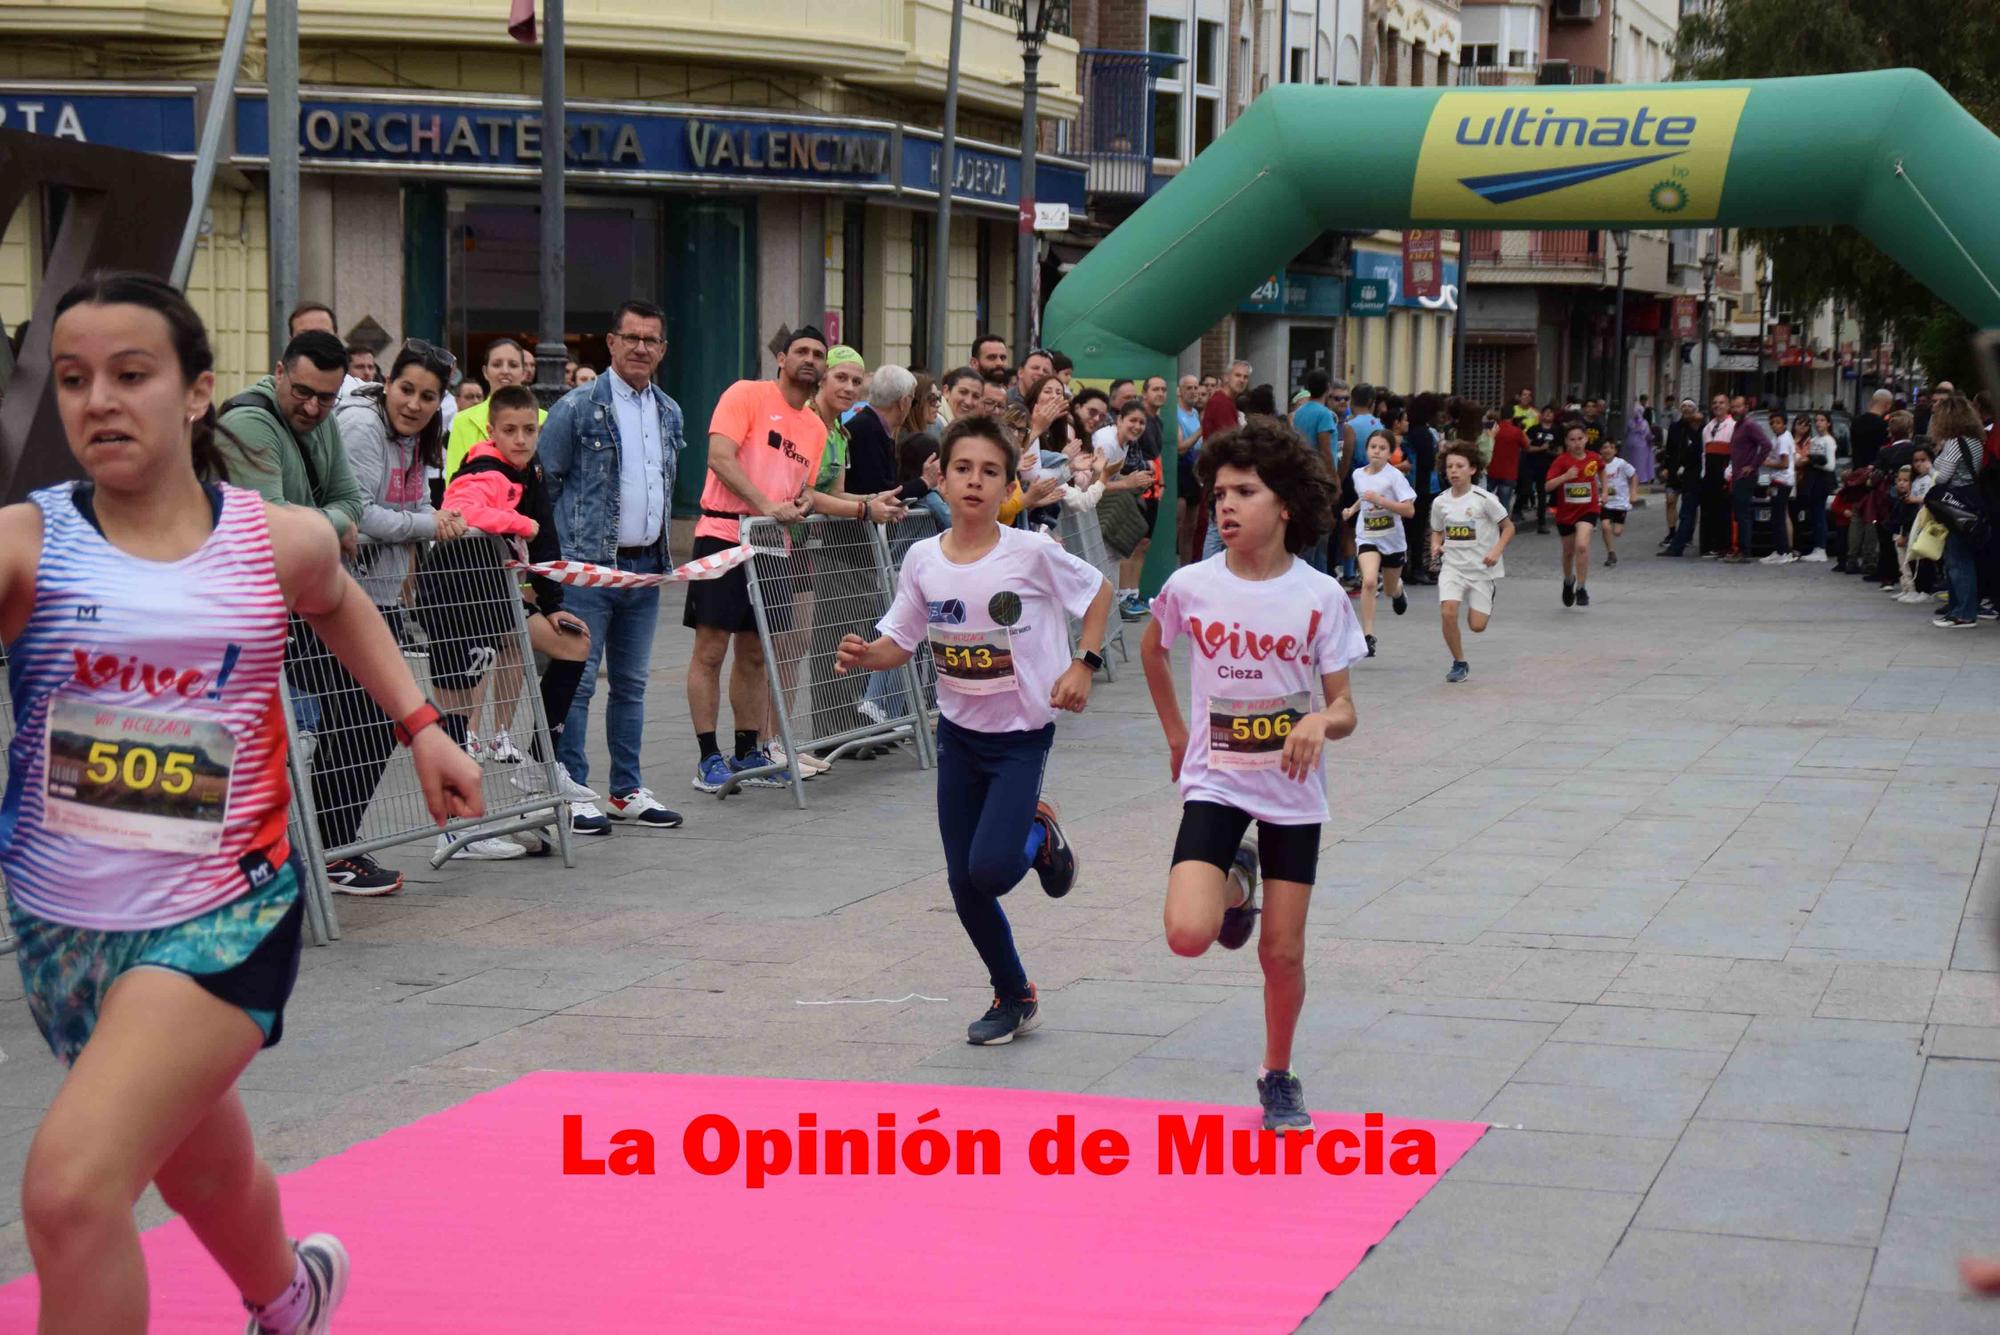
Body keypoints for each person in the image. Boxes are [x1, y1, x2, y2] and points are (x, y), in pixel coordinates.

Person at [3, 270, 482, 1334]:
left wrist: (422, 725)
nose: (98, 401)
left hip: (226, 912)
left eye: (131, 374)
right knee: (200, 1171)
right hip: (66, 924)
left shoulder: (275, 539)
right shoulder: (26, 548)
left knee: (72, 1195)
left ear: (195, 393)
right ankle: (290, 1295)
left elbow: (341, 601)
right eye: (75, 379)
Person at [835, 414, 1112, 1045]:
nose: (974, 482)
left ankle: (1038, 834)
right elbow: (900, 639)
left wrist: (1083, 664)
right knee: (964, 884)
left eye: (990, 472)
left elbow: (1097, 594)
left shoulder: (1031, 552)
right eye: (963, 468)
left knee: (989, 871)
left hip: (1020, 736)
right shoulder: (923, 558)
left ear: (1006, 482)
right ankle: (1013, 993)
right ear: (941, 473)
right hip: (958, 736)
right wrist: (865, 654)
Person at [1142, 416, 1364, 1133]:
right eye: (1219, 492)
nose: (1226, 505)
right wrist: (1178, 731)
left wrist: (1317, 721)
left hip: (1291, 791)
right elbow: (1153, 650)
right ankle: (1238, 880)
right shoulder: (1190, 583)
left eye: (1245, 491)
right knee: (1185, 934)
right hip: (1217, 778)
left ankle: (1277, 1073)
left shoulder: (1320, 595)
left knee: (1282, 951)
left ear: (1286, 505)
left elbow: (1346, 707)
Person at [336, 342, 539, 866]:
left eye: (428, 396)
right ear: (387, 385)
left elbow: (414, 502)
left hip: (383, 594)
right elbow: (360, 512)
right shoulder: (362, 426)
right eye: (406, 390)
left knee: (370, 731)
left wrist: (428, 519)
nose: (415, 403)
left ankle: (336, 848)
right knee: (357, 730)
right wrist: (431, 524)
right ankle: (333, 849)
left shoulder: (419, 436)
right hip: (347, 596)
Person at [431, 383, 599, 854]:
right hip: (455, 593)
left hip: (497, 592)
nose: (521, 439)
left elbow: (546, 546)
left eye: (529, 430)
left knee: (573, 643)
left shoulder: (531, 470)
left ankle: (538, 763)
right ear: (491, 430)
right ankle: (454, 827)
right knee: (458, 712)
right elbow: (460, 508)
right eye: (510, 430)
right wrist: (520, 524)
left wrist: (553, 603)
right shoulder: (484, 467)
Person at [539, 300, 687, 832]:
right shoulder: (576, 407)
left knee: (631, 684)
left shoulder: (670, 411)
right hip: (587, 570)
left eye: (651, 339)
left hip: (646, 570)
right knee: (577, 683)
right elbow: (547, 481)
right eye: (632, 338)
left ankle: (625, 789)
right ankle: (574, 790)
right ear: (611, 342)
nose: (641, 347)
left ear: (663, 349)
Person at [684, 326, 837, 794]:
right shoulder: (746, 394)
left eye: (818, 354)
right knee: (711, 650)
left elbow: (803, 490)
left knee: (755, 654)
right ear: (782, 358)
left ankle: (749, 749)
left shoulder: (814, 426)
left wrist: (803, 505)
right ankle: (708, 757)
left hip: (774, 547)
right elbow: (719, 458)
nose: (809, 359)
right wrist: (765, 504)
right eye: (801, 351)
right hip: (724, 535)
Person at [1428, 440, 1514, 683]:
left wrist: (1496, 551)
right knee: (1448, 611)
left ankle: (1487, 595)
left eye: (1459, 466)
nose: (1453, 471)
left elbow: (1508, 528)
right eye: (1449, 467)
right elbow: (1436, 530)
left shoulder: (1484, 499)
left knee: (1477, 625)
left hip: (1481, 570)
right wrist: (1436, 544)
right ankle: (1459, 662)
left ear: (1472, 469)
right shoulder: (1440, 502)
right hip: (1453, 567)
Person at [1343, 429, 1415, 657]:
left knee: (1389, 589)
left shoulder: (1394, 476)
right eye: (1373, 446)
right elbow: (1364, 497)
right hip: (1367, 536)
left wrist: (1382, 500)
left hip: (1392, 540)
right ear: (1366, 449)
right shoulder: (1358, 475)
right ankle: (1368, 636)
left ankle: (1398, 590)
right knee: (1370, 581)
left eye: (1382, 448)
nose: (1377, 451)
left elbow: (1409, 510)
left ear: (1390, 452)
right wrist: (1351, 510)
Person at [444, 338, 542, 480]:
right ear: (485, 372)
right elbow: (454, 480)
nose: (505, 371)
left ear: (523, 372)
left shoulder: (544, 418)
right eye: (497, 364)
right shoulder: (463, 420)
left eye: (513, 365)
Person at [1545, 422, 1601, 606]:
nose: (1577, 443)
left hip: (1588, 509)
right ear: (1567, 442)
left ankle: (1582, 587)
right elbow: (1547, 486)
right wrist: (1565, 477)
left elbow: (1602, 470)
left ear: (1586, 439)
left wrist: (1605, 491)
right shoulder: (1561, 461)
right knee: (1568, 552)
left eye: (1580, 439)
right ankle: (1569, 581)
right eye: (1572, 440)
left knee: (1582, 546)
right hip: (1566, 512)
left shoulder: (1593, 457)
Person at [1723, 401, 1774, 564]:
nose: (1736, 409)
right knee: (1739, 514)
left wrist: (1753, 465)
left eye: (1739, 406)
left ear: (1746, 408)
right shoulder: (1738, 426)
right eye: (1734, 407)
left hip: (1746, 477)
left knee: (1743, 515)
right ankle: (1740, 549)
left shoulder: (1750, 425)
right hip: (1738, 476)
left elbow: (1766, 444)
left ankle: (1745, 552)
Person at [1658, 398, 1702, 549]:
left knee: (1689, 504)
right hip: (1674, 469)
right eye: (1684, 406)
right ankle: (1672, 533)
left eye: (1690, 406)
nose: (1687, 408)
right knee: (1670, 501)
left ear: (1695, 409)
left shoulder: (1700, 427)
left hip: (1692, 470)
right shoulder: (1675, 427)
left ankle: (1687, 534)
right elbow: (1669, 449)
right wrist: (1665, 467)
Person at [1793, 410, 1836, 562]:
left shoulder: (1828, 441)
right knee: (1815, 513)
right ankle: (1816, 547)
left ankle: (1821, 548)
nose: (1819, 423)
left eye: (1822, 420)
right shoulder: (1815, 440)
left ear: (1828, 423)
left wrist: (1814, 462)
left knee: (1819, 514)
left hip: (1822, 480)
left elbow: (1830, 465)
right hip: (1813, 480)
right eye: (1817, 420)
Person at [1758, 409, 1797, 564]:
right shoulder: (1780, 437)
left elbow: (1784, 463)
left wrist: (1766, 463)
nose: (1775, 425)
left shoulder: (1783, 440)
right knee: (1777, 516)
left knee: (1778, 517)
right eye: (1772, 423)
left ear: (1784, 423)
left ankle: (1783, 552)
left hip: (1783, 481)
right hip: (1778, 481)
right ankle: (1779, 549)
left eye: (1778, 422)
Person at [1699, 392, 1736, 555]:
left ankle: (1724, 546)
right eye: (1715, 403)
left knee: (1724, 512)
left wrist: (1729, 473)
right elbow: (1703, 453)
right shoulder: (1707, 428)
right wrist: (1703, 472)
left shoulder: (1733, 426)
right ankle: (1709, 545)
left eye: (1721, 403)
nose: (1717, 406)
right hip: (1709, 474)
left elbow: (1735, 453)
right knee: (1708, 511)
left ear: (1728, 406)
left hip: (1724, 473)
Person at [1596, 437, 1637, 567]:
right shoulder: (1596, 465)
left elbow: (1634, 475)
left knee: (1617, 532)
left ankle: (1616, 524)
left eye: (1611, 447)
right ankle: (1611, 553)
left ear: (1615, 451)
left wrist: (1634, 492)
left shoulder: (1621, 464)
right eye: (1604, 447)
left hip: (1620, 502)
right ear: (1600, 450)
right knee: (1605, 526)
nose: (1607, 450)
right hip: (1605, 502)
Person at [1518, 403, 1557, 532]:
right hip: (1530, 464)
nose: (1548, 414)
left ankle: (1542, 523)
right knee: (1525, 489)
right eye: (1545, 412)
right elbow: (1526, 447)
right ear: (1541, 415)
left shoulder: (1557, 430)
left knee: (1542, 494)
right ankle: (1516, 511)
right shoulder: (1534, 429)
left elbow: (1561, 449)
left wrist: (1552, 452)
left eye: (1551, 412)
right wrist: (1541, 448)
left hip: (1547, 466)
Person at [1487, 406, 1523, 515]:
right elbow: (1526, 445)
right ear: (1512, 416)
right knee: (1503, 505)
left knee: (1484, 500)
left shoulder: (1493, 430)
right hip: (1509, 472)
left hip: (1492, 470)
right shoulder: (1516, 431)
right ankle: (1502, 529)